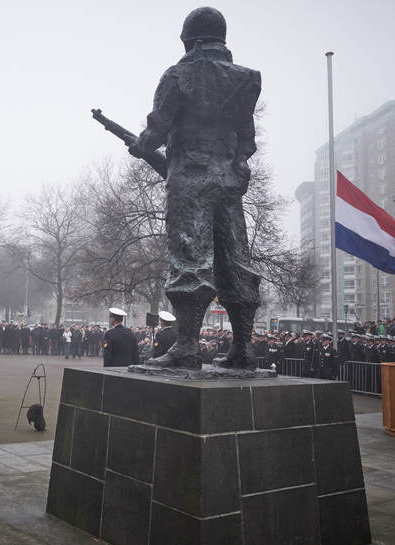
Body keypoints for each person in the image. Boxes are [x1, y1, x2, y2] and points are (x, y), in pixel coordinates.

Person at [132, 7, 261, 369]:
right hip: (230, 180)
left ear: (189, 37)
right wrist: (235, 166)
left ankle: (187, 346)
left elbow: (157, 128)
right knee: (236, 260)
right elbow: (247, 138)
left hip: (191, 177)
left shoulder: (179, 75)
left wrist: (141, 146)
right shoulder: (245, 81)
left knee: (189, 258)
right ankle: (244, 348)